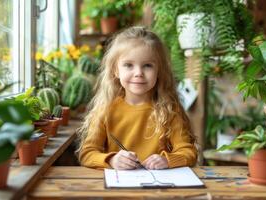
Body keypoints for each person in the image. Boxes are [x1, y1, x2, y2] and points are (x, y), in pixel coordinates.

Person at [77, 26, 197, 170]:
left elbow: (188, 152)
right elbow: (87, 153)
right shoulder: (105, 110)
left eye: (147, 66)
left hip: (159, 188)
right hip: (117, 187)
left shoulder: (170, 110)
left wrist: (167, 160)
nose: (138, 73)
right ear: (116, 70)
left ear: (159, 70)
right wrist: (112, 160)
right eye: (128, 65)